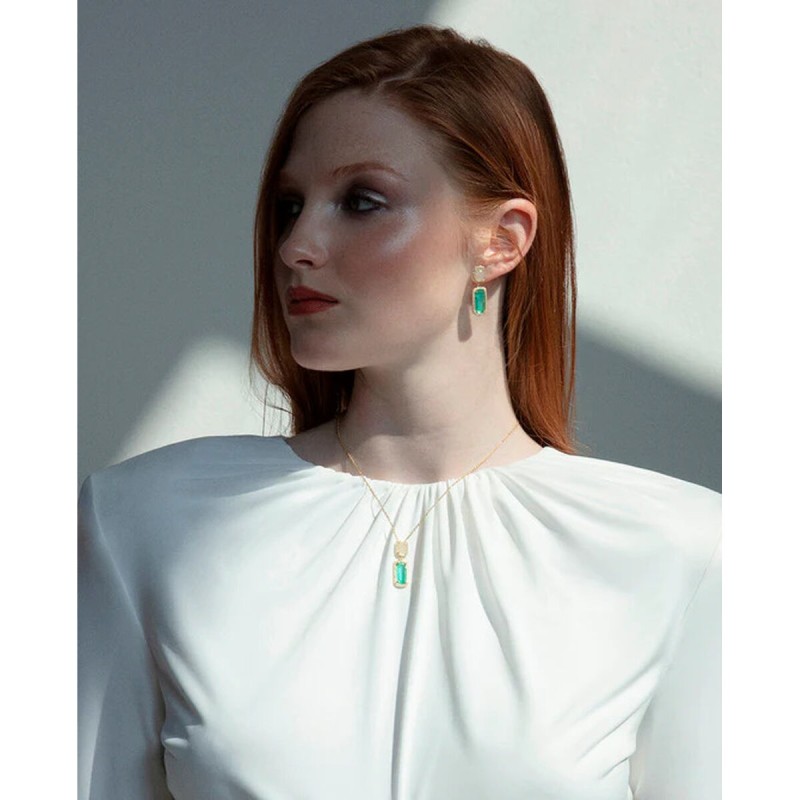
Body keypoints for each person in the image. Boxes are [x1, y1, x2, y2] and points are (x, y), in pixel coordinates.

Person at [78, 24, 721, 800]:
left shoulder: (685, 554)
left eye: (362, 201)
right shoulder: (140, 521)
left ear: (502, 240)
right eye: (290, 206)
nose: (296, 246)